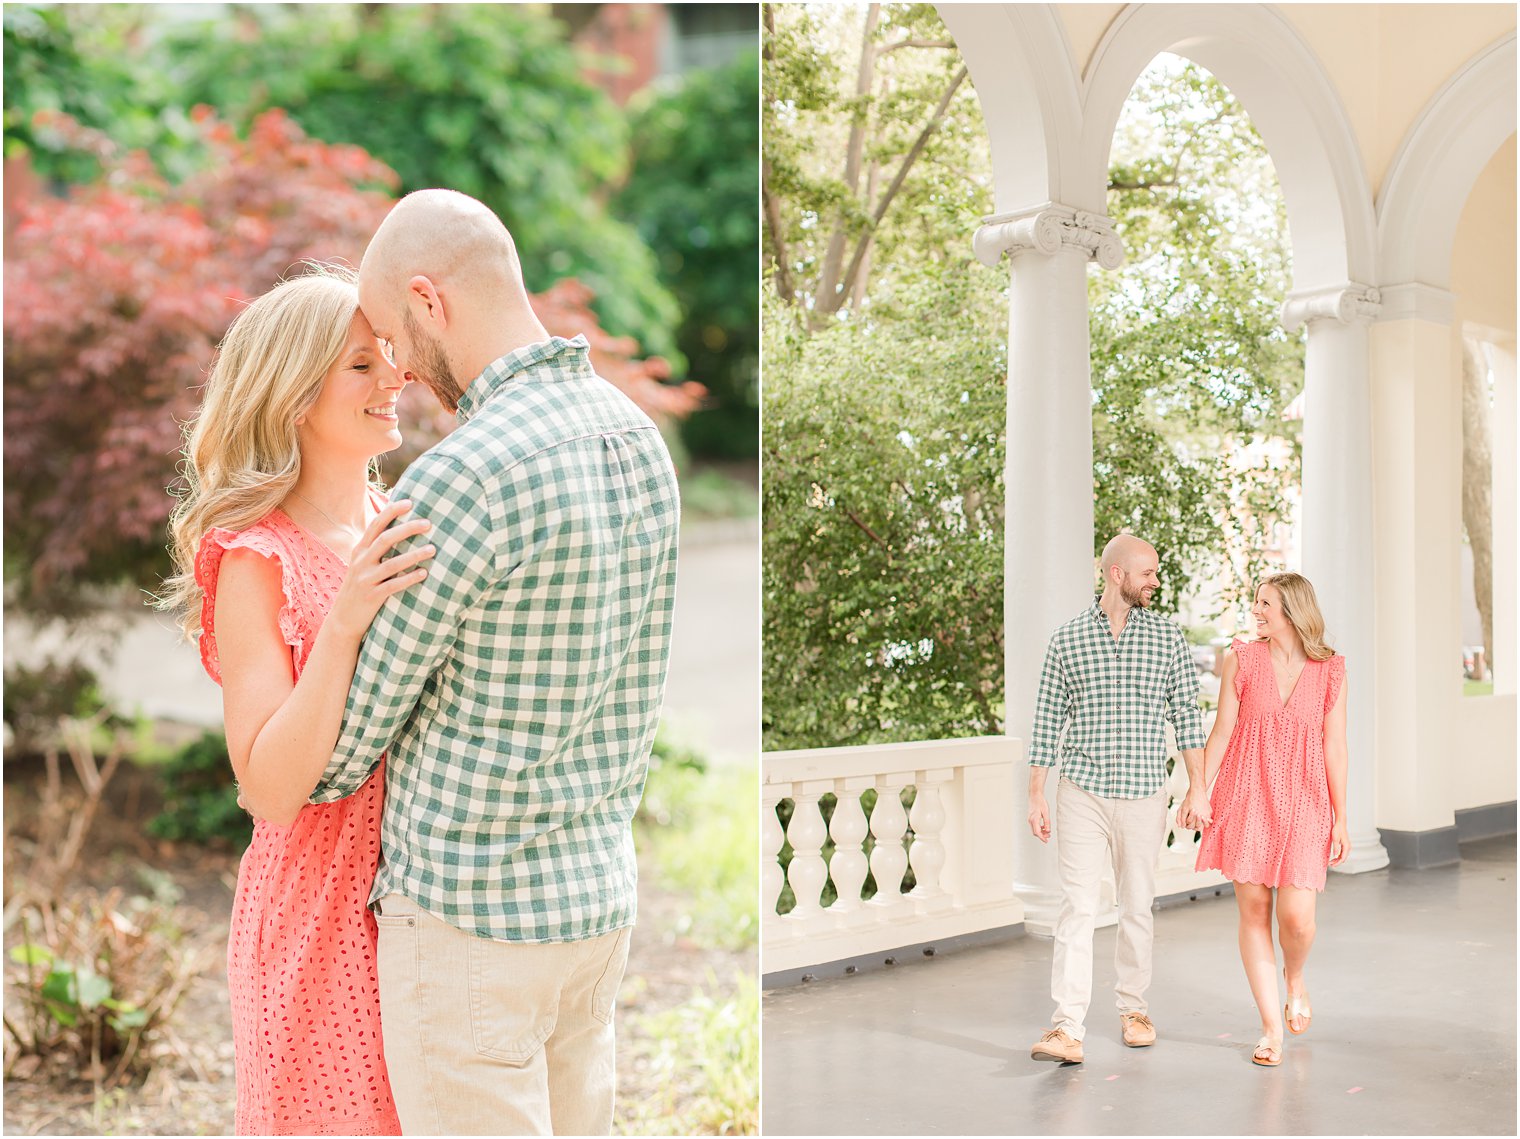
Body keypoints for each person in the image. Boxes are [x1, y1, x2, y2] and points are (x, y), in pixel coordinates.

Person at [304, 189, 681, 1136]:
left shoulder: (461, 476)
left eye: (393, 335)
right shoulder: (642, 441)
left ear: (429, 300)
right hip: (595, 904)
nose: (398, 367)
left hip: (471, 922)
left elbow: (341, 755)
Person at [160, 266, 437, 1134]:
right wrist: (347, 619)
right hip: (318, 912)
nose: (396, 378)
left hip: (425, 902)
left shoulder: (401, 519)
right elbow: (270, 788)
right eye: (361, 364)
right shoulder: (254, 559)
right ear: (291, 395)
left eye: (390, 355)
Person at [1026, 534, 1208, 1065]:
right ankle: (1066, 1028)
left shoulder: (1168, 639)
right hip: (1081, 791)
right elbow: (1046, 722)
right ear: (1116, 575)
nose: (1155, 582)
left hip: (1144, 793)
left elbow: (1187, 719)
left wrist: (1198, 786)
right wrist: (1036, 793)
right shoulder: (1067, 640)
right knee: (1077, 909)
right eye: (1146, 573)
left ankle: (1134, 1010)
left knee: (1136, 907)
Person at [1188, 571, 1348, 1067]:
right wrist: (1199, 790)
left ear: (1294, 611)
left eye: (1266, 604)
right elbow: (1221, 734)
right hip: (1247, 795)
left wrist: (1342, 818)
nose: (1256, 611)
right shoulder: (1242, 659)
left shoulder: (1331, 669)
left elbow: (1334, 746)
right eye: (1255, 602)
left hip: (1305, 799)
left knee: (1297, 920)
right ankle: (1270, 1029)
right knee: (1254, 913)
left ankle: (1294, 978)